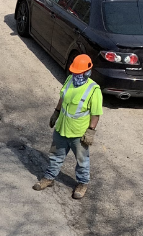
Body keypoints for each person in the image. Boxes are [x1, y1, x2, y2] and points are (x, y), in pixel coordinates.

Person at [33, 54, 102, 200]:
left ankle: (82, 184)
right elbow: (62, 97)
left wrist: (91, 131)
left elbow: (95, 114)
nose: (76, 75)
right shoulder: (70, 80)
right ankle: (49, 178)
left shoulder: (94, 90)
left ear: (87, 72)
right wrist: (56, 113)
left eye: (79, 73)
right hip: (62, 128)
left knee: (82, 161)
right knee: (55, 156)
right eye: (74, 72)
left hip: (79, 133)